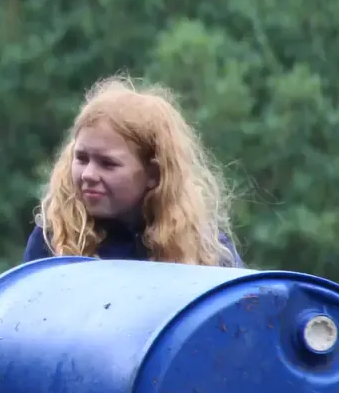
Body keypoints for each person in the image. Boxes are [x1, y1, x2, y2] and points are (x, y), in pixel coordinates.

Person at [23, 76, 241, 266]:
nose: (88, 174)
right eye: (81, 158)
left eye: (107, 164)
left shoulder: (203, 248)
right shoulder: (56, 238)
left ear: (153, 175)